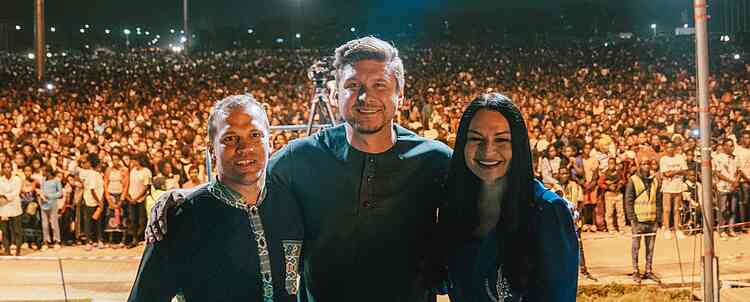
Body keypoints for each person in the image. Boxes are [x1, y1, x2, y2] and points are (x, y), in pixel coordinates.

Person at [147, 37, 453, 302]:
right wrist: (185, 196)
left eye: (379, 85)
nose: (365, 97)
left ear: (400, 96)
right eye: (353, 86)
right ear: (336, 95)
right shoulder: (301, 157)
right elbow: (246, 180)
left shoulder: (436, 160)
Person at [128, 95, 304, 302]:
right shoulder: (178, 220)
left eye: (255, 135)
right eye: (230, 138)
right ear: (211, 149)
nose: (244, 147)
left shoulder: (294, 204)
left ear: (270, 142)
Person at [439, 93, 578, 302]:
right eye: (476, 139)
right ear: (462, 145)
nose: (488, 151)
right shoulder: (455, 209)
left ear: (519, 146)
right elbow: (442, 282)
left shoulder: (548, 212)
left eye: (502, 140)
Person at [624, 156, 663, 283]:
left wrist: (658, 217)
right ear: (639, 165)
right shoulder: (633, 180)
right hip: (638, 220)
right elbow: (628, 200)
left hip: (651, 219)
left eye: (648, 164)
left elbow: (658, 200)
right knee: (636, 247)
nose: (646, 166)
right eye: (644, 163)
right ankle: (636, 271)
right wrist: (632, 218)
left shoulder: (655, 181)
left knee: (650, 248)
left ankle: (648, 270)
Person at [659, 141, 688, 239]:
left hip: (678, 186)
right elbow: (666, 174)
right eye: (668, 147)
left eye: (672, 147)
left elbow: (684, 170)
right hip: (667, 187)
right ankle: (667, 229)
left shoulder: (680, 157)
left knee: (676, 209)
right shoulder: (663, 159)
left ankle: (677, 229)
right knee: (667, 209)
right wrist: (677, 171)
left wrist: (673, 172)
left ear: (674, 148)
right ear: (665, 149)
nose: (670, 149)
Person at [0, 162, 24, 256]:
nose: (7, 169)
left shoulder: (17, 179)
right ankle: (7, 249)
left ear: (11, 168)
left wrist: (5, 196)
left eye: (8, 167)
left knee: (17, 230)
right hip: (3, 207)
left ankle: (18, 249)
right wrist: (4, 197)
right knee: (5, 230)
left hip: (15, 206)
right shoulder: (0, 180)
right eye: (5, 167)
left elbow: (16, 192)